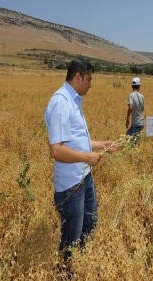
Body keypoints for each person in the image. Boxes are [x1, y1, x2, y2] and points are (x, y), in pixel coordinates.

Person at [44, 58, 116, 263]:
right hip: (70, 185)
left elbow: (76, 142)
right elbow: (56, 150)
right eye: (89, 79)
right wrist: (87, 158)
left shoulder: (73, 101)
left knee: (90, 222)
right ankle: (66, 272)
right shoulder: (61, 103)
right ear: (78, 77)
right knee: (71, 239)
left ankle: (81, 264)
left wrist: (102, 145)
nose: (90, 85)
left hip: (83, 177)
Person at [125, 77, 145, 144]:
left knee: (134, 143)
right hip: (140, 122)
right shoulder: (142, 96)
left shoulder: (131, 95)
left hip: (136, 123)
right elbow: (142, 109)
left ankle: (136, 154)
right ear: (139, 86)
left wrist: (127, 119)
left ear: (132, 86)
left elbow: (130, 108)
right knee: (127, 136)